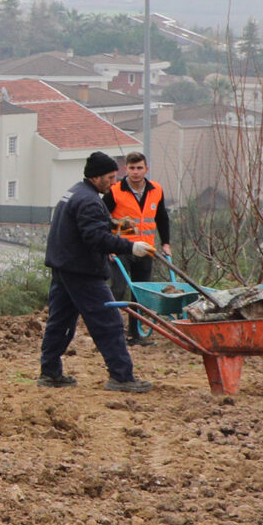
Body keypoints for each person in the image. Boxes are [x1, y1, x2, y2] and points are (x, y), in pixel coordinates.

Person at [39, 151, 163, 392]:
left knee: (60, 322)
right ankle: (121, 377)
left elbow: (88, 226)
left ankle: (50, 372)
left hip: (63, 268)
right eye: (110, 177)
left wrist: (122, 227)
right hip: (83, 272)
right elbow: (95, 237)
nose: (114, 182)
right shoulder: (90, 201)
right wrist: (131, 247)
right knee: (109, 322)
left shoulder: (75, 193)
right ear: (96, 177)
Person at [108, 150, 171, 342]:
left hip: (145, 248)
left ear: (146, 169)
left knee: (140, 293)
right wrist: (107, 245)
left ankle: (135, 334)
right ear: (125, 169)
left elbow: (161, 217)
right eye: (132, 168)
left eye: (139, 168)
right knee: (118, 289)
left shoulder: (156, 190)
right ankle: (110, 332)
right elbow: (103, 219)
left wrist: (166, 243)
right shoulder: (115, 191)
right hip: (121, 248)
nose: (135, 172)